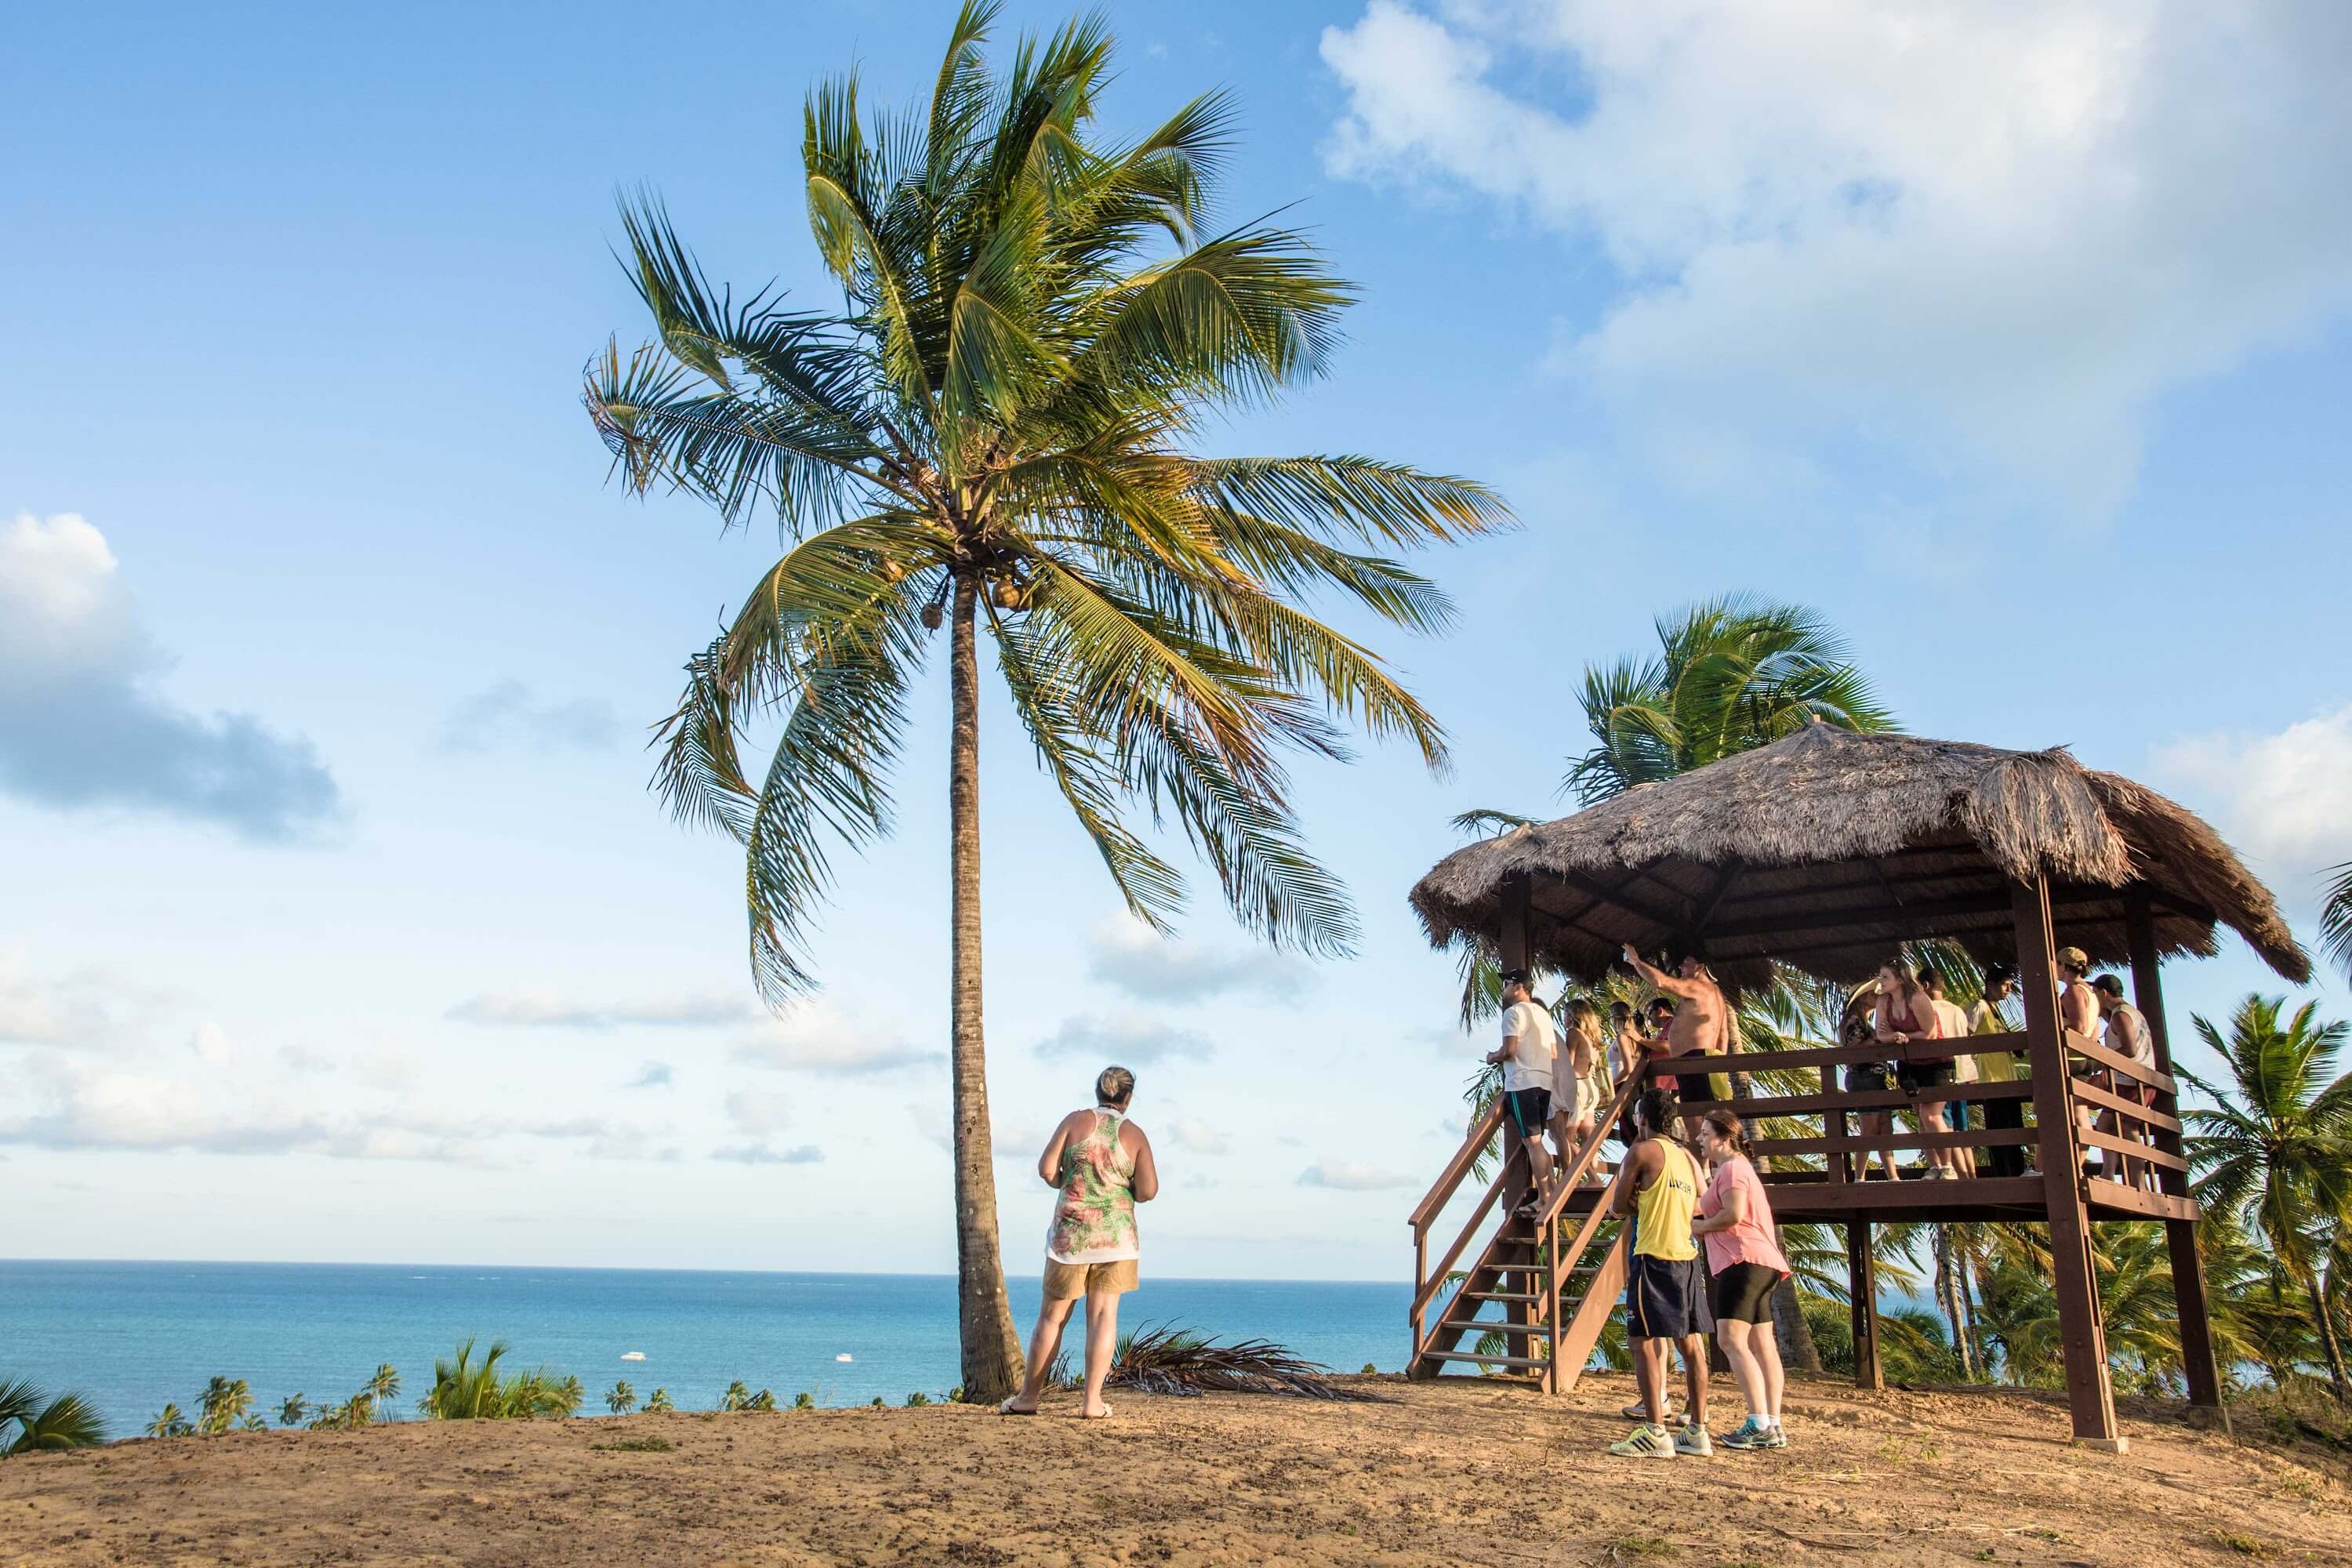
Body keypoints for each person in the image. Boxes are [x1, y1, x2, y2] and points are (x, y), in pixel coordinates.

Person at [1002, 1065, 1160, 1418]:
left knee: (1052, 1317)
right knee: (1103, 1317)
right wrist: (1126, 1189)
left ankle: (1028, 1398)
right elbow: (1148, 1190)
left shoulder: (1074, 1121)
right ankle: (1092, 1403)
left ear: (1097, 1093)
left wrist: (1065, 1182)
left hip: (1070, 1237)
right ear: (1128, 1098)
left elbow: (1046, 1169)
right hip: (1116, 1239)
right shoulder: (1135, 1134)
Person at [1606, 1087, 1715, 1460]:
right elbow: (1703, 1202)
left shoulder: (1642, 1151)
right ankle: (1698, 1431)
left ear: (1643, 1118)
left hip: (1653, 1255)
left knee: (1644, 1342)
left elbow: (1618, 1205)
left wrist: (1642, 1199)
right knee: (1691, 1343)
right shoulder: (1687, 1157)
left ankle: (1655, 1431)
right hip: (1687, 1255)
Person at [1690, 1110, 1790, 1450]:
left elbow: (1733, 1215)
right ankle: (1772, 1424)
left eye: (1705, 1134)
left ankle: (1758, 1421)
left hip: (1743, 1259)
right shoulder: (1733, 1170)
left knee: (1730, 1339)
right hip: (1762, 1261)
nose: (1700, 1139)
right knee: (1763, 1344)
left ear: (1724, 1137)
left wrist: (1700, 1228)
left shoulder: (1732, 1169)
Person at [1622, 946, 1732, 1119]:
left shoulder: (1699, 985)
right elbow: (1723, 1034)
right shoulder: (1716, 994)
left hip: (1695, 1061)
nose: (1680, 967)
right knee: (1706, 1119)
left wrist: (1636, 961)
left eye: (1685, 963)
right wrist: (1718, 1063)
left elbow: (1662, 982)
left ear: (1700, 966)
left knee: (1696, 1120)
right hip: (1704, 1061)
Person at [1875, 957, 1955, 1179]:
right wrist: (1894, 1037)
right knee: (1920, 1116)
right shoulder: (1883, 1001)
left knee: (1932, 1116)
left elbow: (1929, 1033)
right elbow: (1881, 1034)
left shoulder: (1917, 998)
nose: (1880, 981)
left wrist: (1902, 1036)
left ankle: (1948, 1166)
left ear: (1900, 979)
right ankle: (1934, 1166)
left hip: (1936, 1062)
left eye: (1885, 977)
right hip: (1910, 1063)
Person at [1488, 970, 1558, 1214]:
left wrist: (1491, 1057)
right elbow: (1553, 1053)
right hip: (1544, 1080)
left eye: (1506, 983)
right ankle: (1553, 1191)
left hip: (1522, 1082)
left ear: (1519, 987)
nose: (1503, 988)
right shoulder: (1543, 1014)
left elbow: (1510, 1050)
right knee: (1538, 1142)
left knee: (1532, 1142)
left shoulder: (1513, 1012)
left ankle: (1545, 1198)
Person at [2092, 975, 2158, 1187]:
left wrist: (2105, 1060)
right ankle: (2108, 1175)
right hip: (2134, 1080)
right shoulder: (2130, 1012)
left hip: (2132, 1082)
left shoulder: (2121, 1015)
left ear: (2103, 992)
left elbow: (2130, 1049)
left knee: (2128, 1130)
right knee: (2105, 1124)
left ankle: (2138, 1183)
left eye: (2096, 994)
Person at [1968, 964, 2028, 1177]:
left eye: (2010, 985)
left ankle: (2017, 1171)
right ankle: (2004, 1173)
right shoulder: (1980, 1007)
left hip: (2006, 1079)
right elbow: (1966, 1035)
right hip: (1991, 1079)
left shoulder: (1996, 1011)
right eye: (2004, 984)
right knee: (1999, 1130)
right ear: (1990, 985)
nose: (2008, 989)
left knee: (2014, 1129)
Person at [1840, 987, 1901, 1182]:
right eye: (1874, 995)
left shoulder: (1865, 1023)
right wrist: (1877, 1040)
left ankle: (1892, 1177)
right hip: (1863, 1075)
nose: (1878, 998)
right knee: (1870, 1127)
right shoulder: (1854, 1021)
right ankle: (1859, 1177)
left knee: (1884, 1126)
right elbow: (1853, 1049)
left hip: (1876, 1077)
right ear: (1863, 998)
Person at [1922, 969, 1977, 1179]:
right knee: (1962, 1133)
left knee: (1946, 1128)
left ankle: (1961, 1177)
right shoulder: (1957, 1010)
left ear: (1925, 986)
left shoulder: (1928, 1009)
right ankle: (1971, 1176)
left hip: (1943, 1073)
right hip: (1963, 1072)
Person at [1550, 998, 1610, 1185]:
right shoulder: (1591, 1038)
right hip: (1590, 1087)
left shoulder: (1573, 1034)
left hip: (1577, 1087)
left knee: (1564, 1137)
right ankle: (1592, 1179)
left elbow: (1568, 1063)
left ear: (1574, 1015)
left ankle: (1578, 1179)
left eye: (1566, 1013)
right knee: (1588, 1138)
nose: (1564, 1017)